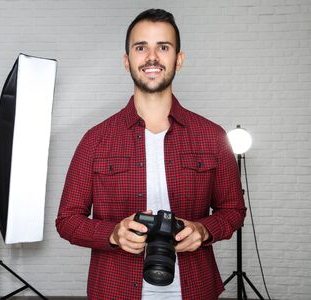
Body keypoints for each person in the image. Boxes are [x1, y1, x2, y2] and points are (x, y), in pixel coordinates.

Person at [56, 8, 246, 300]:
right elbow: (67, 220)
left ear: (178, 60)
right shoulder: (95, 139)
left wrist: (203, 230)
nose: (152, 57)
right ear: (127, 60)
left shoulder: (212, 136)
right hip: (114, 289)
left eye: (164, 47)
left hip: (195, 288)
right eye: (141, 47)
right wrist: (113, 234)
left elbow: (233, 211)